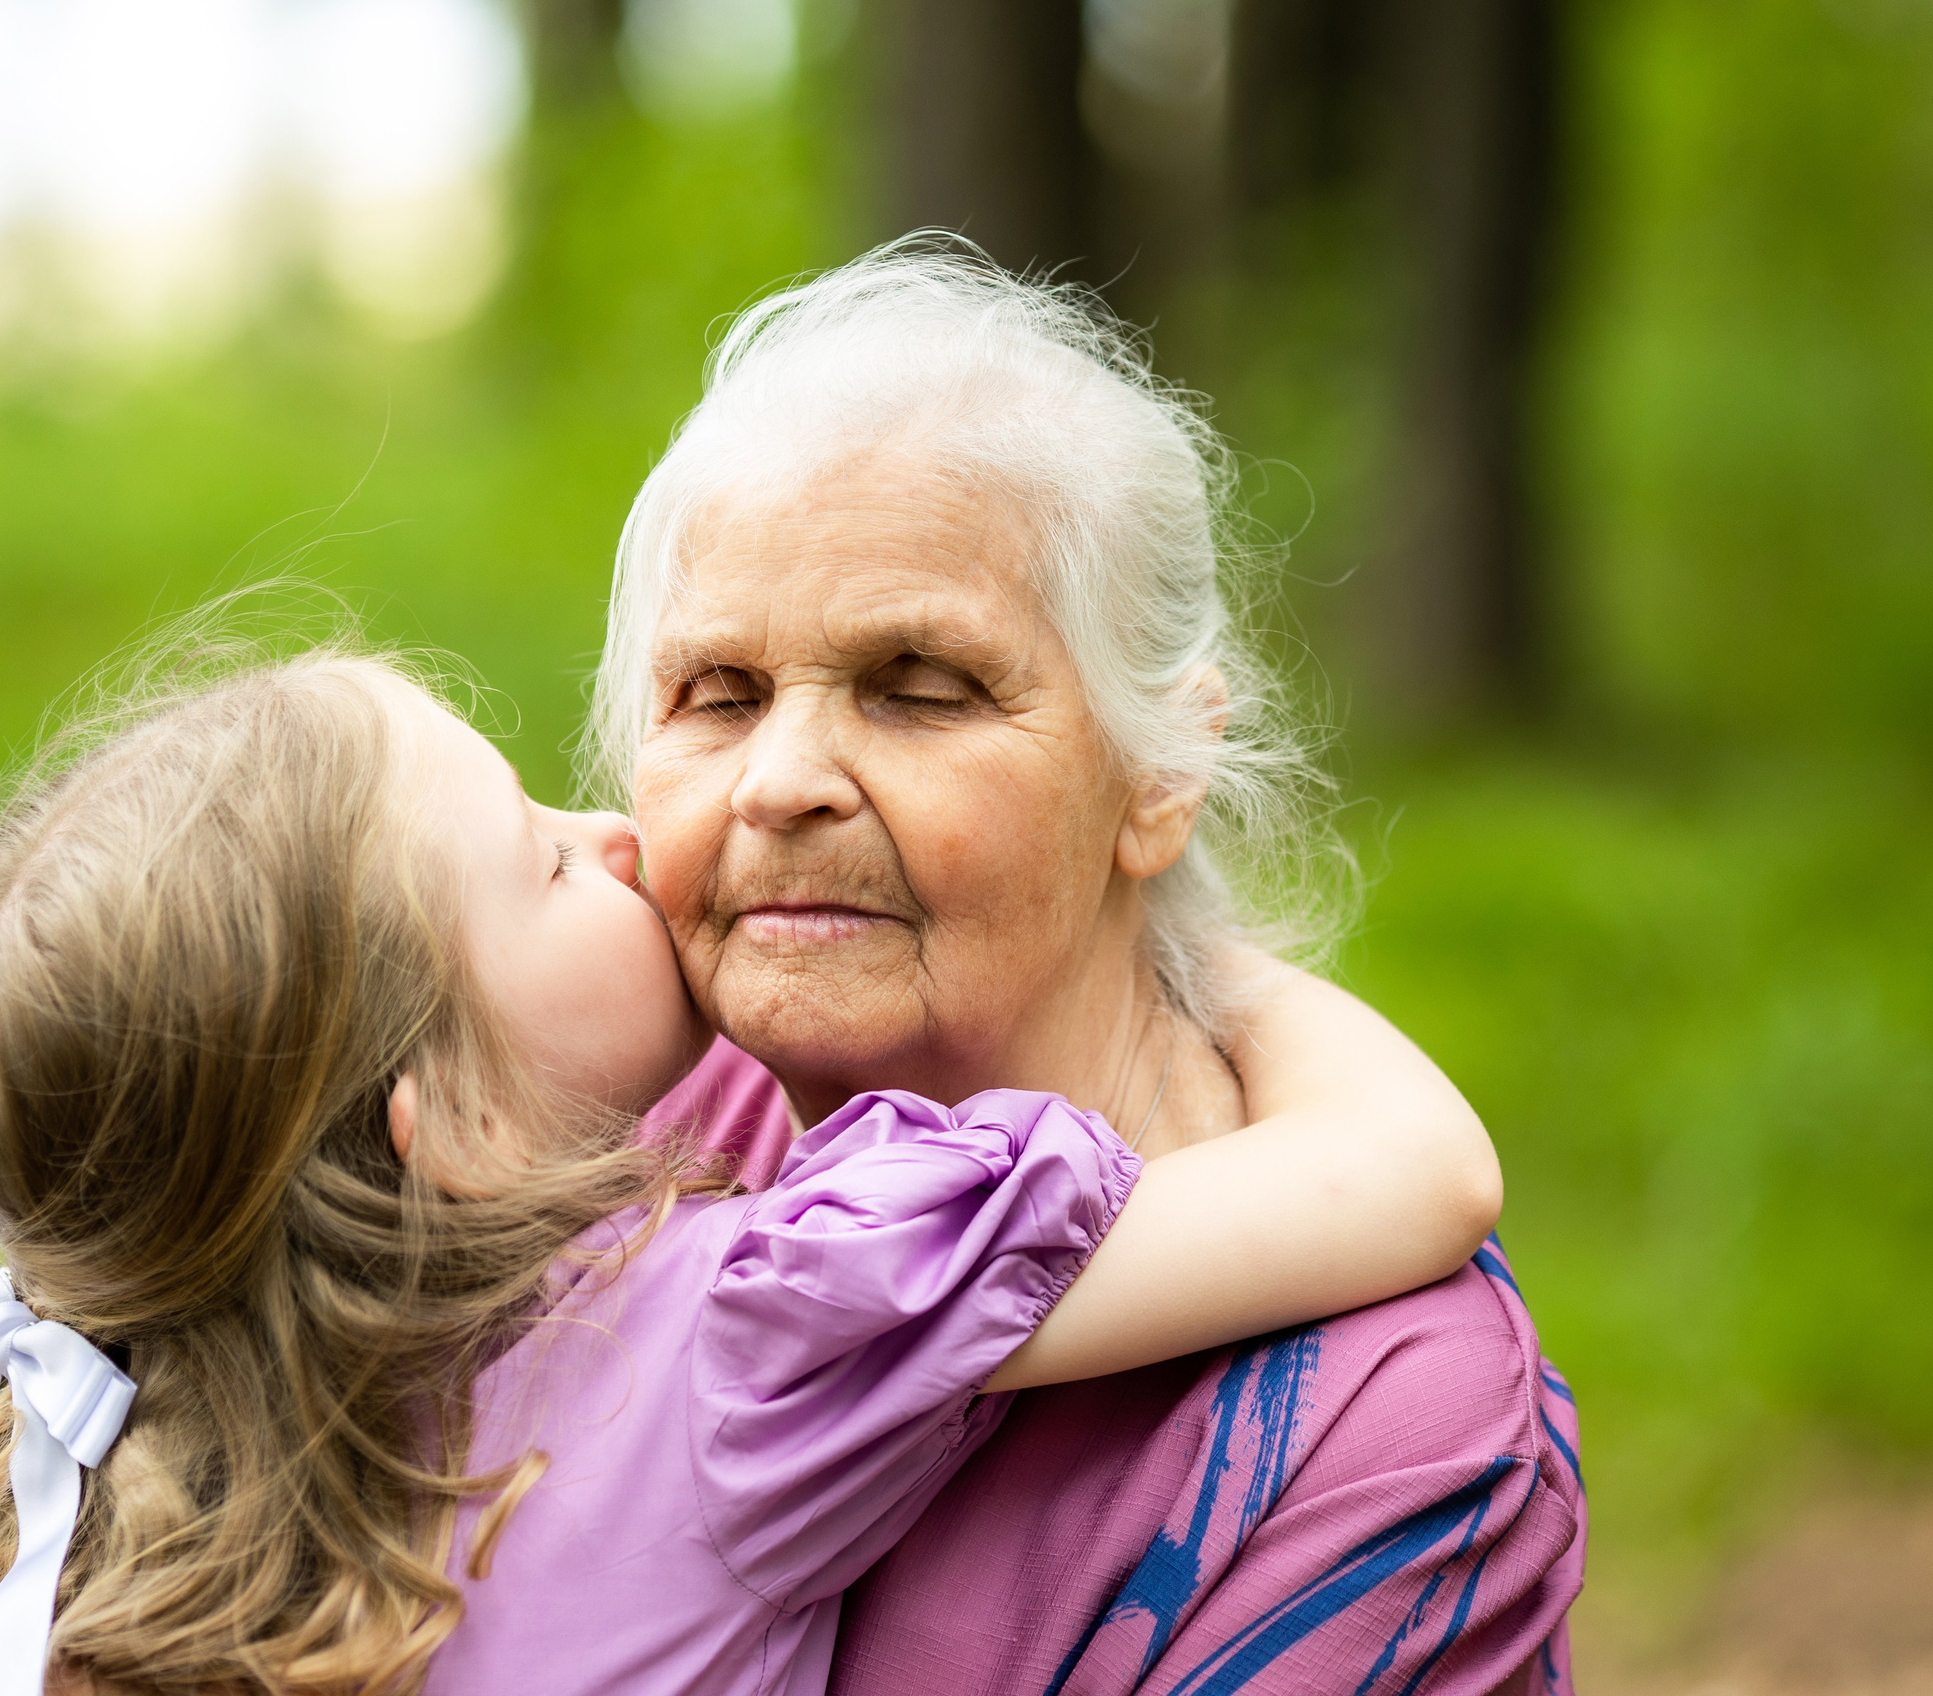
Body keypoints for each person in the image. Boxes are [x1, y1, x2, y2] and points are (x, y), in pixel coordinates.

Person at [0, 647, 1500, 1696]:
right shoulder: (748, 1342)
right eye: (541, 860)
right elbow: (1412, 1172)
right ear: (459, 1125)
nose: (620, 837)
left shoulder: (133, 1452)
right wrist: (1184, 939)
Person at [588, 240, 1587, 1695]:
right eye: (717, 695)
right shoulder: (606, 1135)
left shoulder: (1389, 1422)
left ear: (1159, 775)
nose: (781, 780)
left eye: (921, 690)